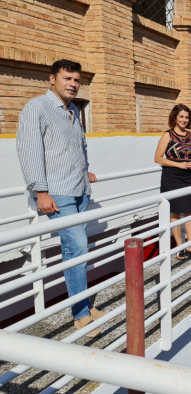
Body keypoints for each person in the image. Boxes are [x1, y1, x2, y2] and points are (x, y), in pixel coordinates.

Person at [16, 59, 106, 337]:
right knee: (77, 248)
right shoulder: (37, 108)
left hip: (79, 189)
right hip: (57, 193)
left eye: (77, 80)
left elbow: (79, 147)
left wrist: (85, 171)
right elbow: (29, 151)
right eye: (67, 78)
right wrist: (40, 192)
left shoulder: (72, 111)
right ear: (51, 79)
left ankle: (84, 306)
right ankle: (80, 315)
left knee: (76, 250)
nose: (73, 84)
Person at [154, 104, 191, 260]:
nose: (184, 120)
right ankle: (179, 246)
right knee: (174, 211)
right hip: (172, 176)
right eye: (181, 116)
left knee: (190, 210)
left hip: (189, 175)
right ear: (175, 117)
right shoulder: (167, 135)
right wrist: (178, 164)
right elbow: (158, 158)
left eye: (186, 117)